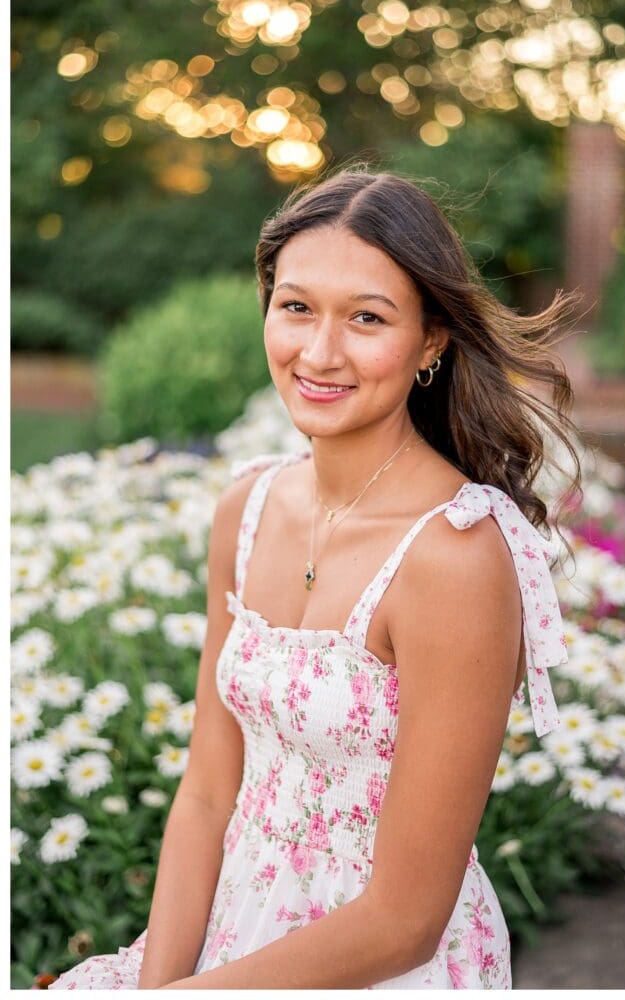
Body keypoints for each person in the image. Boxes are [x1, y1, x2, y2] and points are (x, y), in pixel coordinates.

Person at [49, 165, 582, 990]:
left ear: (432, 339)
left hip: (376, 965)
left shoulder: (456, 555)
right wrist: (156, 984)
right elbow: (206, 793)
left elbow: (404, 922)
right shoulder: (248, 507)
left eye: (367, 318)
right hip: (230, 940)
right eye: (296, 307)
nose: (320, 353)